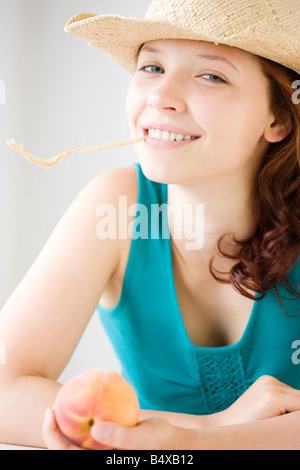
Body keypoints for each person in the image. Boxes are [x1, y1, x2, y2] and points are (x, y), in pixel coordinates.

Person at [1, 0, 300, 450]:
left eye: (211, 75)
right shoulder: (116, 207)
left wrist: (173, 443)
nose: (160, 96)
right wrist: (205, 430)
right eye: (152, 66)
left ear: (277, 117)